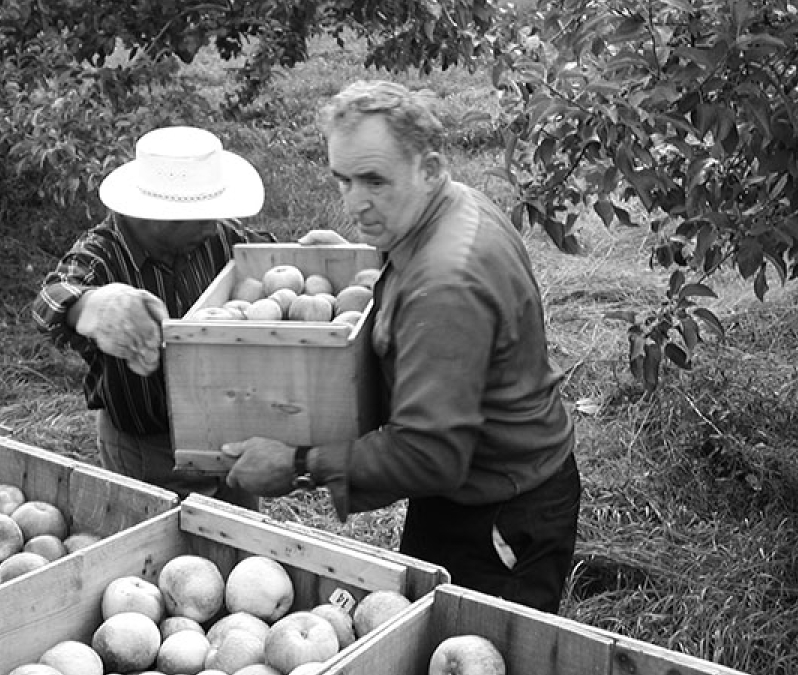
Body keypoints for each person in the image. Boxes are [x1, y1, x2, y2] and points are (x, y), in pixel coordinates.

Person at [222, 80, 581, 614]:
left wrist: (298, 463)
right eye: (343, 180)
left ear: (430, 168)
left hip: (497, 513)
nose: (354, 203)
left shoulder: (445, 285)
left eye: (374, 180)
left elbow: (429, 455)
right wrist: (363, 267)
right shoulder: (455, 208)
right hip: (477, 491)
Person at [32, 126, 275, 509]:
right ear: (157, 216)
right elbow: (53, 297)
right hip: (149, 447)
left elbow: (270, 260)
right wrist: (94, 307)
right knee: (161, 553)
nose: (211, 226)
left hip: (229, 427)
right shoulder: (104, 253)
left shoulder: (218, 238)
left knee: (240, 543)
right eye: (199, 217)